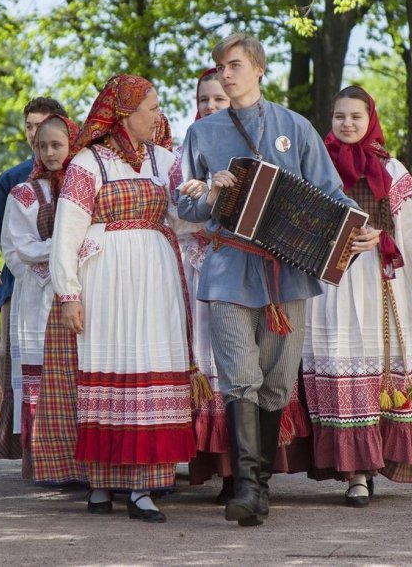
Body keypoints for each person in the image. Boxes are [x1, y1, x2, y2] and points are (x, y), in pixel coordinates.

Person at [178, 33, 378, 526]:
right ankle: (246, 488)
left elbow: (331, 193)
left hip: (287, 275)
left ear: (259, 69)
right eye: (221, 66)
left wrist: (359, 227)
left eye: (235, 65)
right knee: (238, 378)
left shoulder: (295, 126)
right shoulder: (202, 134)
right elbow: (183, 205)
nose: (226, 74)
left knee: (276, 384)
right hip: (227, 271)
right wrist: (207, 192)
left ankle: (260, 487)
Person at [50, 74, 195, 523]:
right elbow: (66, 232)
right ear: (125, 113)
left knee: (151, 364)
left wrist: (213, 198)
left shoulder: (167, 161)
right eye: (150, 107)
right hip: (107, 279)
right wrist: (69, 293)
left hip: (155, 277)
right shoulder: (88, 163)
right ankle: (99, 481)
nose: (157, 114)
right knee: (109, 366)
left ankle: (145, 487)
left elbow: (186, 220)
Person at [301, 85, 412, 507]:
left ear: (370, 119)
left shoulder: (390, 168)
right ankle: (355, 475)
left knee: (380, 372)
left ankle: (377, 464)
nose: (347, 124)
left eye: (355, 117)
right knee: (342, 370)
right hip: (329, 285)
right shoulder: (314, 165)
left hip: (381, 283)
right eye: (340, 116)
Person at [0, 97, 68, 462]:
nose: (35, 135)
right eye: (29, 128)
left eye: (44, 127)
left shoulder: (79, 175)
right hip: (20, 284)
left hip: (72, 287)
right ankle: (23, 448)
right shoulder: (14, 179)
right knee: (12, 358)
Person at [2, 113, 81, 482]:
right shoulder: (23, 194)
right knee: (43, 377)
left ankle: (79, 464)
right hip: (37, 297)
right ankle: (44, 465)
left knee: (75, 377)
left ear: (72, 145)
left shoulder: (84, 187)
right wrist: (58, 253)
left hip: (78, 293)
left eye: (57, 145)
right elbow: (16, 247)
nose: (50, 153)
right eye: (42, 145)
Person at [178, 69, 235, 501]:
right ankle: (212, 464)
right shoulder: (191, 145)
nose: (210, 107)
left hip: (241, 267)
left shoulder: (247, 144)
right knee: (206, 361)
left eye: (218, 99)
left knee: (240, 363)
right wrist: (201, 200)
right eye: (204, 101)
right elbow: (175, 213)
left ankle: (241, 470)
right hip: (199, 268)